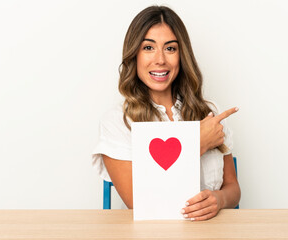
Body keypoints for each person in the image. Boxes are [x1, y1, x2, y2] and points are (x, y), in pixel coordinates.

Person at [92, 5, 240, 221]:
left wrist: (219, 200)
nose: (160, 59)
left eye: (170, 48)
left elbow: (233, 189)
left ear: (182, 56)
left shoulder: (210, 114)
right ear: (134, 55)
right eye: (148, 48)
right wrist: (195, 144)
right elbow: (138, 203)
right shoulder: (118, 122)